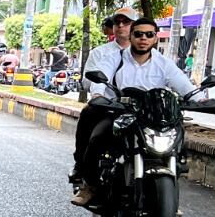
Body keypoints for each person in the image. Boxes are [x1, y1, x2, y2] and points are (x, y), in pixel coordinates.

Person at [71, 17, 193, 205]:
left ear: (155, 38)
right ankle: (89, 185)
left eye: (148, 34)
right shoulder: (115, 58)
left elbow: (183, 85)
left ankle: (169, 197)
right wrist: (97, 95)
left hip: (153, 116)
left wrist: (200, 99)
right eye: (138, 34)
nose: (143, 38)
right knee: (97, 138)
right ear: (132, 36)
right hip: (120, 112)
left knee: (178, 139)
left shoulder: (163, 63)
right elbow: (101, 77)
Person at [70, 12, 132, 197]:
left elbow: (171, 77)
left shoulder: (151, 56)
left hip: (140, 110)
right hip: (109, 106)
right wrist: (98, 94)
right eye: (117, 22)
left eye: (126, 22)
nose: (121, 26)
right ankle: (83, 170)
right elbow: (92, 78)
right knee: (90, 116)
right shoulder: (103, 53)